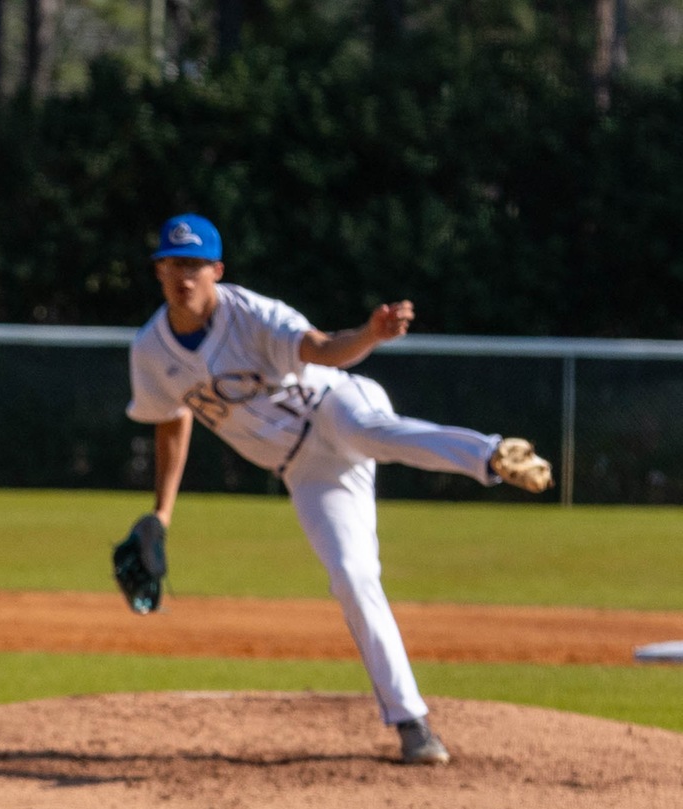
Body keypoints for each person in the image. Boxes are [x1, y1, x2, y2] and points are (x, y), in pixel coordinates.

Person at [127, 212, 554, 767]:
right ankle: (411, 723)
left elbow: (322, 348)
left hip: (333, 404)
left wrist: (368, 336)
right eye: (173, 263)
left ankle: (491, 454)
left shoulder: (252, 314)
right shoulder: (150, 351)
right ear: (158, 270)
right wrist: (162, 513)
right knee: (352, 576)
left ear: (217, 270)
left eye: (195, 263)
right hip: (305, 471)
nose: (183, 275)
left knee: (372, 431)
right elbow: (171, 419)